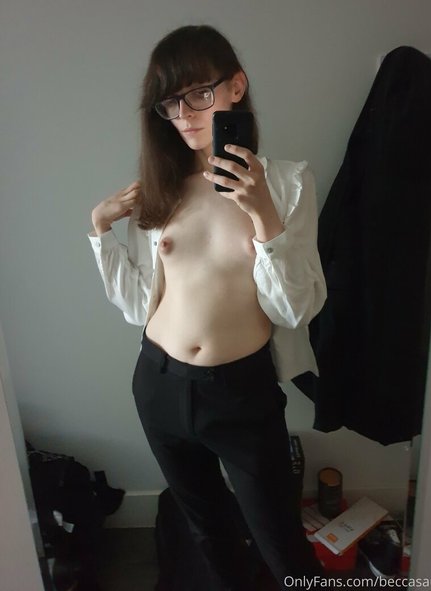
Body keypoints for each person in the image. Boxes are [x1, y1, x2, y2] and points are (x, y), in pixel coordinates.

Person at [88, 24, 328, 591]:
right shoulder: (161, 189)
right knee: (207, 532)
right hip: (158, 383)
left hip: (241, 393)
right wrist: (100, 232)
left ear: (236, 87)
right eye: (170, 103)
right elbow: (138, 306)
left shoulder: (288, 184)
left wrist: (263, 214)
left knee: (281, 541)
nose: (185, 115)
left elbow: (297, 308)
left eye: (199, 93)